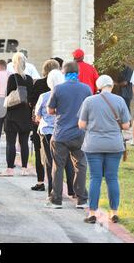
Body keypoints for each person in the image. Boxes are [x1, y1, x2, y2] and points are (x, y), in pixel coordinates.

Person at [78, 75, 131, 224]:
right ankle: (114, 212)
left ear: (98, 86)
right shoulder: (120, 101)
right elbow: (126, 125)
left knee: (95, 178)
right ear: (112, 86)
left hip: (93, 144)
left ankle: (92, 213)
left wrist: (93, 127)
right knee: (112, 178)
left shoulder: (89, 101)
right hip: (114, 144)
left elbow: (81, 124)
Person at [45, 61, 91, 209]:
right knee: (81, 166)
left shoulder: (58, 89)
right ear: (78, 73)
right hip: (79, 134)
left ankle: (57, 200)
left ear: (63, 73)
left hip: (61, 134)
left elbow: (50, 110)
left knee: (58, 167)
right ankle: (81, 199)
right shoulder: (86, 89)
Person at [35, 69, 75, 198]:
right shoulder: (68, 95)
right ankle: (71, 189)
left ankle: (52, 191)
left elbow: (37, 115)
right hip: (64, 131)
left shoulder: (44, 96)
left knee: (49, 161)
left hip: (47, 132)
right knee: (68, 160)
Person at [0, 53, 33, 177]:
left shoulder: (12, 78)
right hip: (25, 115)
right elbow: (31, 98)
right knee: (24, 142)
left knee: (10, 142)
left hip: (12, 114)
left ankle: (10, 169)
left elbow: (8, 95)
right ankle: (24, 168)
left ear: (14, 64)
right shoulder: (29, 79)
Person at [29, 59, 60, 191]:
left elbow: (31, 102)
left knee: (39, 153)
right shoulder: (61, 86)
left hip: (41, 122)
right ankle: (58, 184)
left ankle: (41, 181)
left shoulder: (39, 84)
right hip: (58, 124)